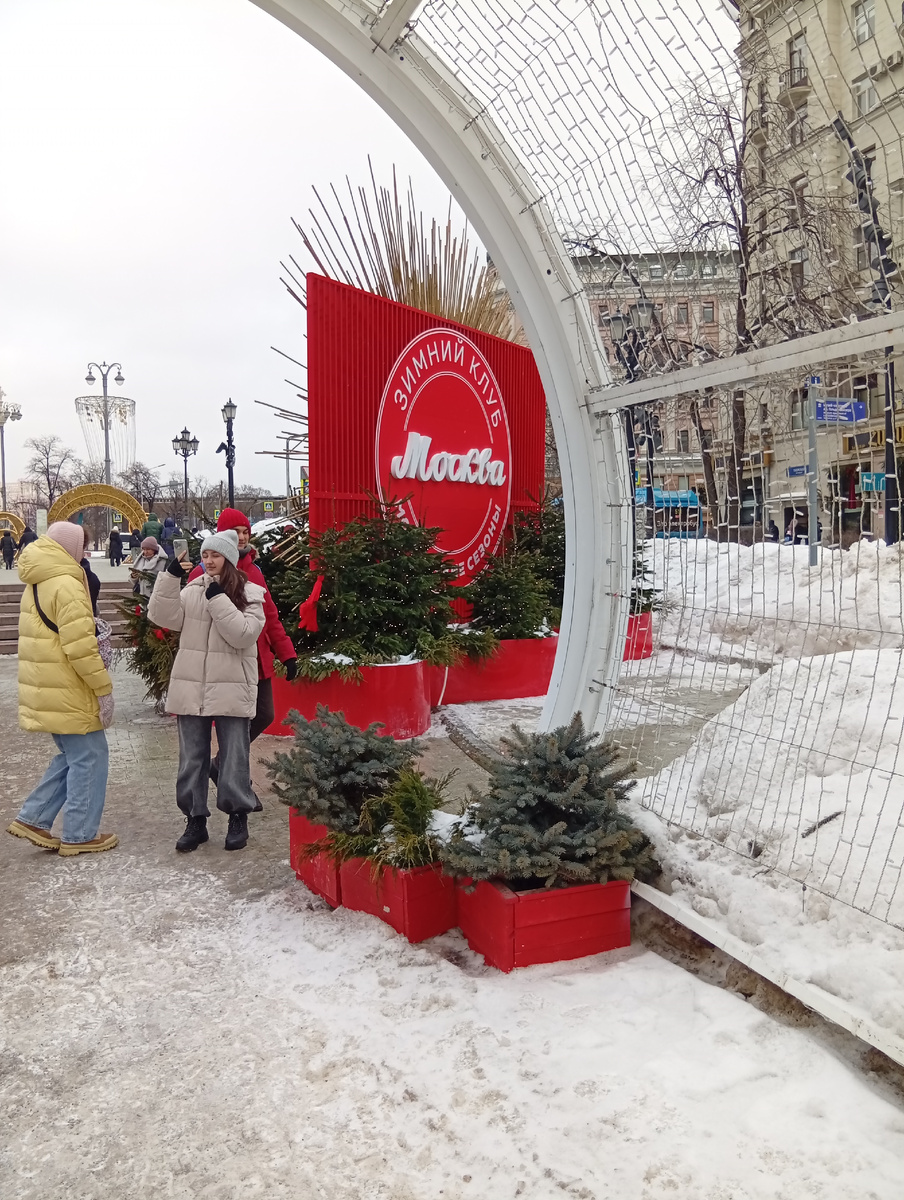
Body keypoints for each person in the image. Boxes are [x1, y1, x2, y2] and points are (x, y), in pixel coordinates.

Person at [149, 529, 265, 853]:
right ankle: (195, 820)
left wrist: (217, 599)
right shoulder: (191, 591)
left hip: (231, 687)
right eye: (204, 555)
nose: (209, 561)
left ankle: (237, 816)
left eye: (215, 555)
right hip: (192, 687)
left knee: (234, 758)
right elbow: (161, 616)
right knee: (191, 759)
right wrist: (172, 576)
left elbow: (243, 635)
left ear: (227, 558)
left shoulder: (250, 593)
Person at [6, 521, 116, 856]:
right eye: (82, 545)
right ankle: (80, 834)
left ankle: (34, 817)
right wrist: (103, 689)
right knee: (91, 757)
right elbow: (80, 649)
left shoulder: (41, 578)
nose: (85, 551)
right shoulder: (66, 584)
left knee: (74, 756)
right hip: (69, 689)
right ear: (69, 547)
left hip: (49, 686)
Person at [187, 507, 297, 808]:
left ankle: (220, 764)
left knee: (265, 715)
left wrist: (286, 653)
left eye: (245, 532)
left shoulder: (255, 571)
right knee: (235, 729)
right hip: (227, 665)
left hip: (257, 661)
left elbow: (271, 616)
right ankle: (240, 790)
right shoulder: (203, 572)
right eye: (236, 533)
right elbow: (188, 617)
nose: (242, 537)